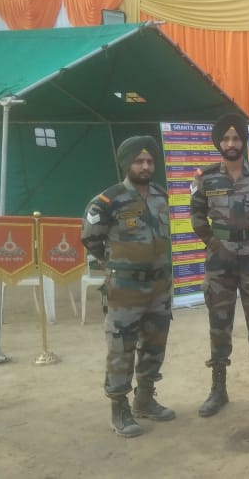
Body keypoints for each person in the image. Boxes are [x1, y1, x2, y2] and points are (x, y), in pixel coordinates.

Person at [190, 113, 249, 416]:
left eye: (235, 138)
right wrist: (215, 243)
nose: (231, 143)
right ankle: (218, 390)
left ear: (243, 141)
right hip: (219, 261)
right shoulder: (205, 178)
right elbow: (196, 216)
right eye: (225, 139)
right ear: (218, 143)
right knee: (219, 324)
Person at [82, 136, 174, 437]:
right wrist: (119, 263)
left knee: (154, 345)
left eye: (149, 161)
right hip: (125, 289)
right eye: (138, 161)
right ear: (126, 164)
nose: (145, 166)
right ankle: (119, 407)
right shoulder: (108, 201)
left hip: (159, 288)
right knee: (121, 347)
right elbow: (91, 239)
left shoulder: (161, 196)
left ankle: (145, 399)